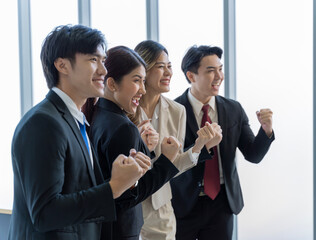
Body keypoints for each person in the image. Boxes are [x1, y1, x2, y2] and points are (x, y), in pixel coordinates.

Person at [8, 24, 147, 240]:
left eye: (103, 60)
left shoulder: (75, 120)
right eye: (93, 60)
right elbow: (45, 213)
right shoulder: (43, 123)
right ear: (62, 65)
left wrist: (126, 179)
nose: (103, 70)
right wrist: (113, 187)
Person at [170, 45, 275, 240]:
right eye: (210, 71)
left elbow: (253, 154)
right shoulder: (174, 111)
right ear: (191, 76)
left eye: (220, 69)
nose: (219, 76)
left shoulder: (233, 109)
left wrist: (266, 130)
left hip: (221, 205)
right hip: (183, 204)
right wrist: (202, 146)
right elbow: (171, 163)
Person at [85, 45, 182, 240]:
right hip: (120, 230)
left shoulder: (97, 114)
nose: (143, 90)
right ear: (111, 84)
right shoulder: (124, 127)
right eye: (137, 81)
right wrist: (167, 161)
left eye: (144, 81)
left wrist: (143, 147)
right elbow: (127, 197)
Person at [132, 40, 222, 240]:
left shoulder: (177, 111)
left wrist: (198, 147)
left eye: (169, 66)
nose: (168, 73)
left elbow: (174, 166)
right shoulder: (126, 108)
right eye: (160, 67)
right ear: (143, 69)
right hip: (129, 206)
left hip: (160, 211)